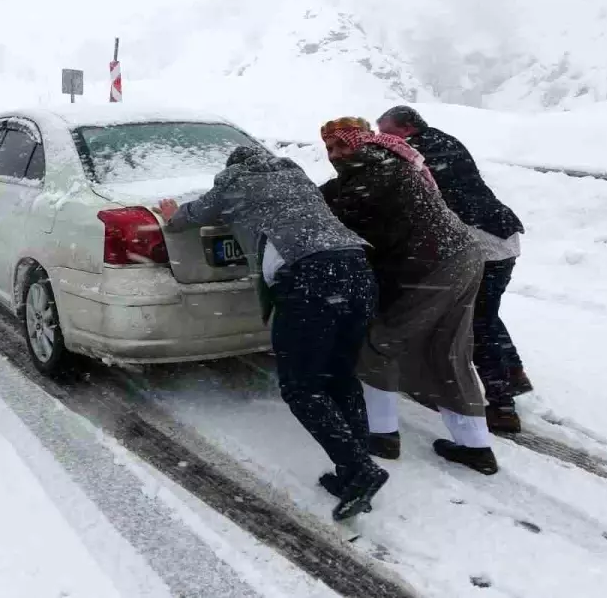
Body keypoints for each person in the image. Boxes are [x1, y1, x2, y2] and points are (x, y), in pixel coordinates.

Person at [158, 144, 388, 519]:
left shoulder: (234, 182)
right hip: (357, 269)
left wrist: (172, 214)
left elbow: (191, 216)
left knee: (301, 387)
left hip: (309, 278)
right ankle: (352, 469)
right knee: (341, 376)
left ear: (232, 167)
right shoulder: (297, 178)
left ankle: (360, 469)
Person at [319, 117, 498, 475]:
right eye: (329, 148)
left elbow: (347, 218)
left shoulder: (371, 174)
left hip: (432, 266)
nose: (336, 154)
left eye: (342, 145)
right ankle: (475, 446)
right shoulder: (388, 164)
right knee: (448, 351)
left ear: (362, 141)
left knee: (377, 342)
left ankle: (381, 435)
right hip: (462, 255)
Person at [378, 106, 532, 433]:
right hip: (502, 232)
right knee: (487, 313)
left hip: (480, 240)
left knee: (476, 321)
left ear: (406, 128)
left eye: (385, 130)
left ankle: (503, 406)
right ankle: (514, 373)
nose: (381, 138)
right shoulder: (443, 140)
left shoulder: (416, 153)